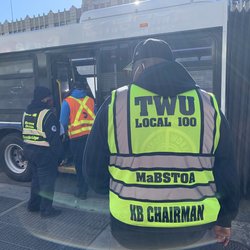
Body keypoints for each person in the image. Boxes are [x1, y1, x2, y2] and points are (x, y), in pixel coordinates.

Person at [83, 38, 240, 249]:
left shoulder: (114, 104)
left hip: (130, 230)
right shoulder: (209, 105)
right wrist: (225, 219)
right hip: (196, 229)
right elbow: (227, 170)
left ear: (140, 67)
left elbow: (93, 171)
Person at [22, 86, 63, 218]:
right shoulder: (47, 114)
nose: (51, 100)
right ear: (45, 99)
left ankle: (33, 205)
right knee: (47, 184)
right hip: (44, 154)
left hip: (29, 151)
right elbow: (54, 140)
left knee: (36, 181)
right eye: (50, 97)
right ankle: (46, 210)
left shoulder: (26, 113)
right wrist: (60, 157)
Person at [60, 78, 95, 200]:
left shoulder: (67, 102)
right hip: (90, 138)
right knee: (88, 163)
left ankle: (82, 191)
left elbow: (63, 123)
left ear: (73, 89)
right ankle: (93, 185)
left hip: (76, 138)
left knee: (79, 165)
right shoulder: (91, 100)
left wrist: (63, 136)